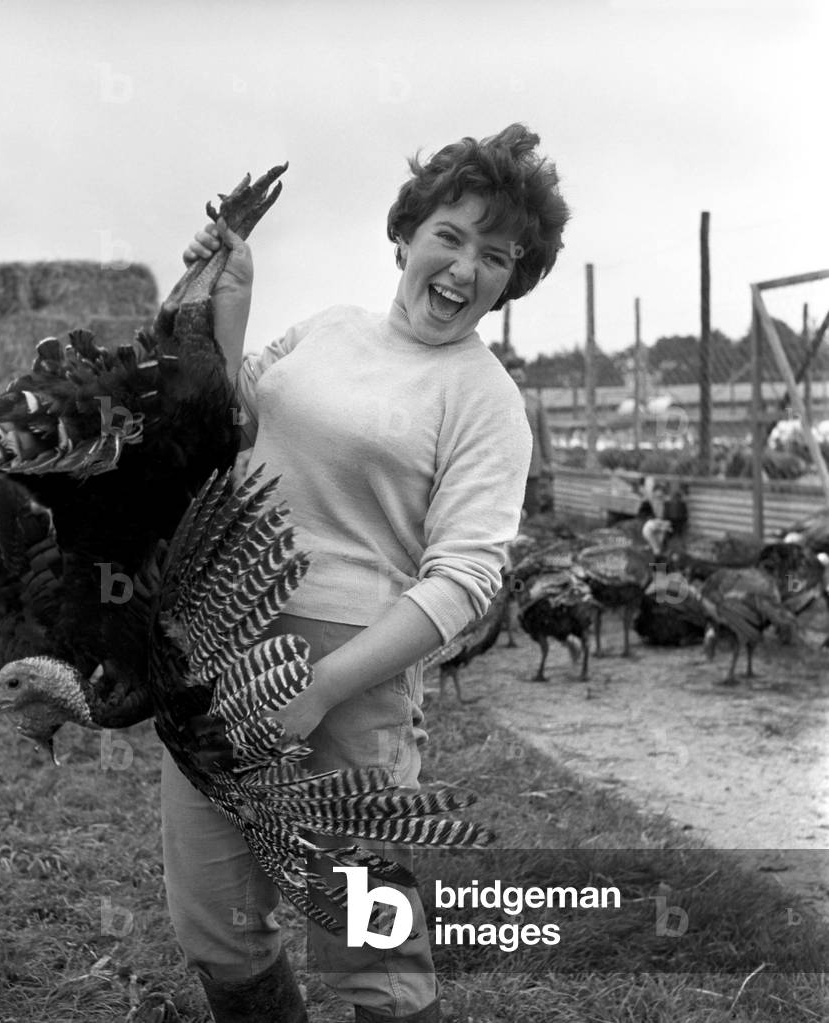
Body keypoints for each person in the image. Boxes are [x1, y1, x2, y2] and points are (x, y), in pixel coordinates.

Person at [163, 125, 571, 1023]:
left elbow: (464, 580)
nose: (464, 269)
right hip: (221, 650)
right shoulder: (325, 331)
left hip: (350, 676)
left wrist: (319, 690)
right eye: (450, 236)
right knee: (216, 923)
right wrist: (228, 302)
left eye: (496, 256)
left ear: (513, 280)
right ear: (406, 234)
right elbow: (219, 425)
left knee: (370, 948)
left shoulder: (484, 399)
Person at [503, 354, 553, 518]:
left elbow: (544, 432)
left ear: (524, 376)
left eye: (520, 375)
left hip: (532, 464)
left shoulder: (535, 402)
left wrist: (548, 460)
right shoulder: (498, 400)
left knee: (532, 504)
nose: (517, 379)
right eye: (513, 376)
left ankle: (533, 530)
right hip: (506, 465)